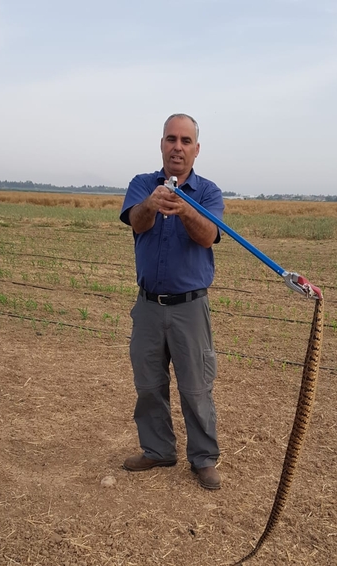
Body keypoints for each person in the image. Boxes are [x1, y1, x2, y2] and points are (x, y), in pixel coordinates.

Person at [119, 113, 224, 490]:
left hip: (189, 308)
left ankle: (203, 459)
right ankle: (158, 450)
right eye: (170, 139)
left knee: (196, 387)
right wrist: (153, 202)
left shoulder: (208, 192)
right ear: (161, 144)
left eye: (185, 140)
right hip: (148, 306)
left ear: (196, 149)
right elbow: (137, 221)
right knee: (148, 384)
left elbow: (208, 235)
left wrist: (185, 208)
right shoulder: (142, 185)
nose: (177, 147)